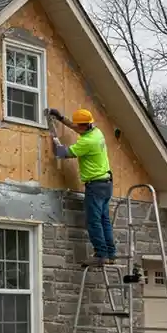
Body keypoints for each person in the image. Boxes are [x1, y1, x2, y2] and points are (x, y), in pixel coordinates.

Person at [50, 108, 116, 266]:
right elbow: (76, 127)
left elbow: (62, 153)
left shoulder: (87, 142)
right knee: (104, 220)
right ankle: (110, 254)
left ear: (84, 126)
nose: (76, 127)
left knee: (94, 221)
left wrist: (54, 139)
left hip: (95, 186)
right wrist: (61, 118)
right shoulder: (96, 132)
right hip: (106, 183)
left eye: (78, 125)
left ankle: (100, 255)